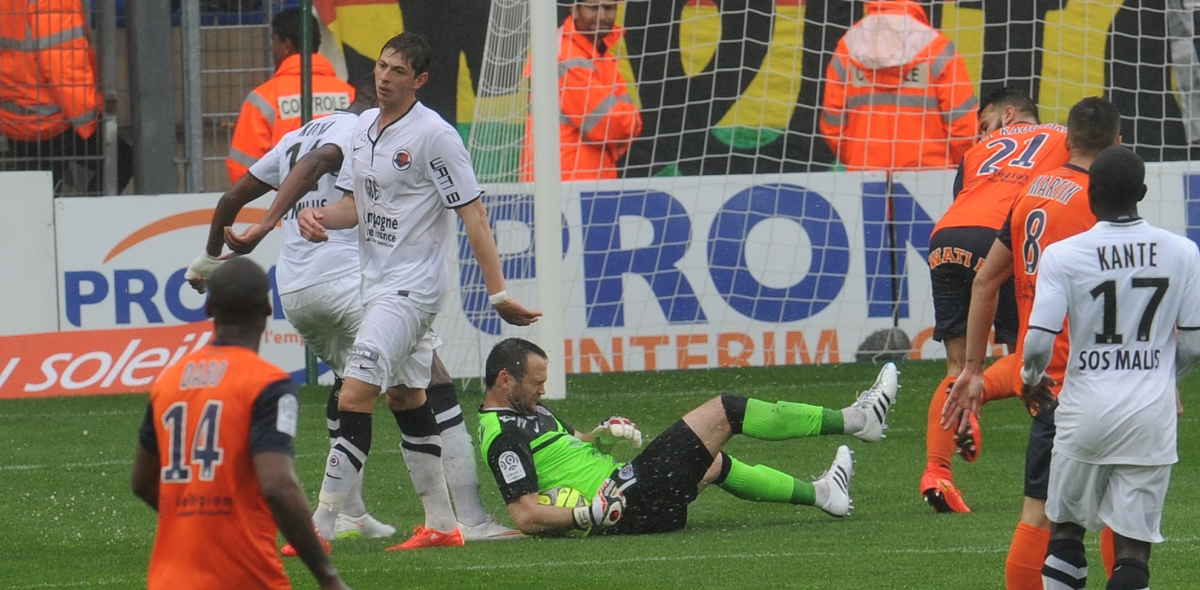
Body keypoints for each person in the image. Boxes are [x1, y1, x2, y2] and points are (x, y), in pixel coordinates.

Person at [191, 72, 521, 545]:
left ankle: (359, 513)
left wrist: (207, 259)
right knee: (427, 379)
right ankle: (466, 517)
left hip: (296, 289)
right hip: (347, 280)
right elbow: (318, 162)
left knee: (364, 384)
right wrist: (265, 225)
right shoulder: (361, 129)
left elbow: (230, 197)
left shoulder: (296, 134)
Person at [298, 32, 541, 550]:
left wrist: (498, 295)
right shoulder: (363, 128)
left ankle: (319, 527)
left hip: (411, 290)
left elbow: (474, 215)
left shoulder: (435, 136)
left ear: (420, 80)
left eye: (398, 71)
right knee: (406, 395)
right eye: (382, 66)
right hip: (376, 285)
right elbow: (353, 207)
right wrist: (317, 216)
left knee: (353, 395)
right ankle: (442, 525)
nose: (385, 77)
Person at [940, 97, 1121, 589]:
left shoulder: (1032, 190)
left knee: (1040, 511)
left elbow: (985, 281)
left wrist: (973, 368)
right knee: (1117, 506)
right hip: (1093, 375)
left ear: (1068, 140)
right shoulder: (1100, 203)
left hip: (1043, 379)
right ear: (1118, 144)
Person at [478, 338, 900, 536]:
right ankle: (857, 419)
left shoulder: (530, 408)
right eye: (536, 383)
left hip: (627, 494)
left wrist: (603, 436)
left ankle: (824, 494)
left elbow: (578, 444)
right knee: (726, 410)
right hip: (619, 502)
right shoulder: (502, 436)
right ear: (504, 379)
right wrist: (587, 514)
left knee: (712, 463)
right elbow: (525, 515)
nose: (543, 390)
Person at [1022, 146, 1200, 590]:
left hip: (1084, 413)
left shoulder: (1063, 254)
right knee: (1133, 551)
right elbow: (1195, 345)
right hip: (1150, 418)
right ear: (1143, 192)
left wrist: (1030, 379)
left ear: (1090, 194)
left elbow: (1039, 341)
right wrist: (1163, 379)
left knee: (1065, 534)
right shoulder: (1182, 252)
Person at [130, 257, 350, 590]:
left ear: (209, 308)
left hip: (169, 579)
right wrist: (329, 578)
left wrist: (195, 522)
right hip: (245, 577)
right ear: (267, 308)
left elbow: (142, 482)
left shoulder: (169, 381)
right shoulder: (266, 384)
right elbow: (278, 486)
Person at [920, 87, 1071, 513]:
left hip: (945, 239)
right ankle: (981, 395)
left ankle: (937, 472)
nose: (983, 134)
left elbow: (965, 198)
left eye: (984, 125)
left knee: (957, 365)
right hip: (1001, 237)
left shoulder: (975, 153)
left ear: (1007, 115)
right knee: (1030, 352)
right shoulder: (1062, 136)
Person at [819, 0, 977, 170]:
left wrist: (856, 158)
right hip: (931, 175)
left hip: (864, 172)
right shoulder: (939, 49)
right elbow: (964, 126)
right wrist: (952, 167)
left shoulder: (847, 48)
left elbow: (833, 124)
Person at [0, 0, 131, 194]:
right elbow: (63, 69)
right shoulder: (54, 3)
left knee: (41, 193)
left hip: (15, 116)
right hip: (51, 119)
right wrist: (88, 122)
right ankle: (87, 210)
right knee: (122, 160)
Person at [227, 7, 354, 184]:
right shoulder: (350, 94)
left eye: (274, 41)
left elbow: (241, 169)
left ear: (287, 45)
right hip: (338, 200)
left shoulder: (263, 98)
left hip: (284, 199)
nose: (271, 49)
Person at [520, 0, 642, 181]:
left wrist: (627, 122)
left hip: (587, 179)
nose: (602, 16)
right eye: (593, 8)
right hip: (565, 182)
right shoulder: (564, 57)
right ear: (574, 10)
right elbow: (613, 125)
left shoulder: (602, 55)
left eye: (608, 8)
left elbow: (627, 124)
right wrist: (628, 121)